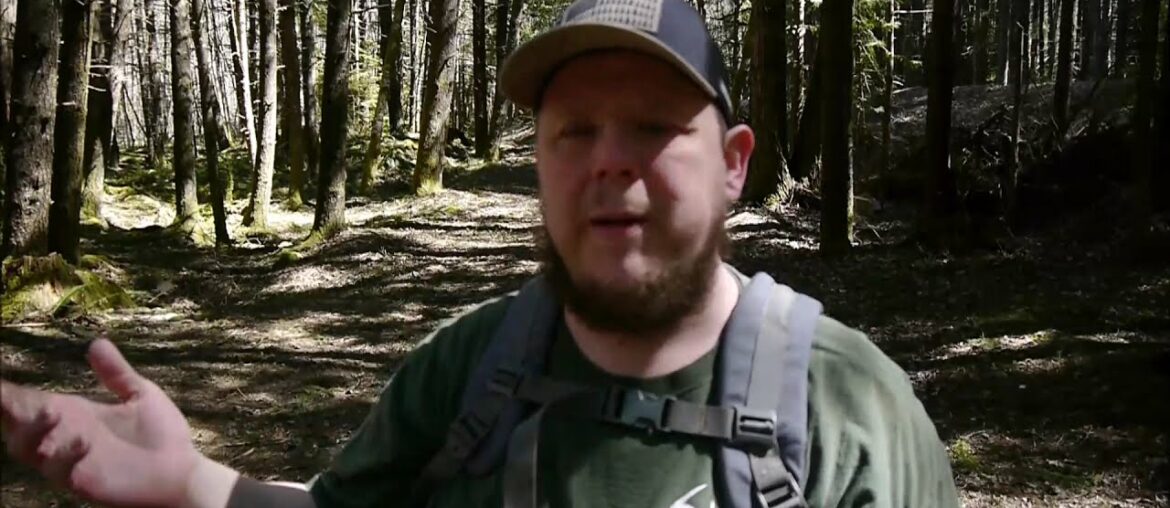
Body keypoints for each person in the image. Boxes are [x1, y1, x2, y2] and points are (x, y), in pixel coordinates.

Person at [0, 0, 961, 506]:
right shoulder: (469, 373)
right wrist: (196, 482)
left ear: (735, 165)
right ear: (538, 163)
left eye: (656, 129)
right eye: (573, 132)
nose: (610, 166)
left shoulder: (849, 410)